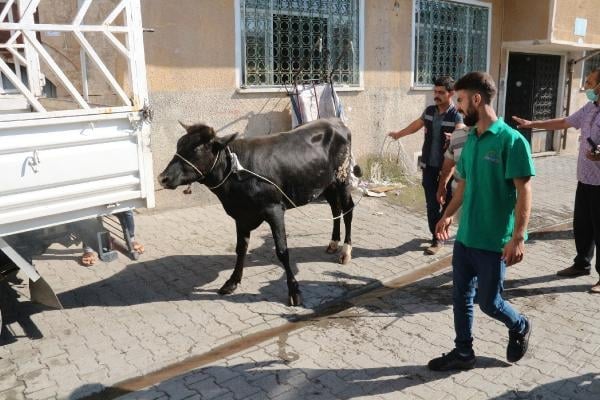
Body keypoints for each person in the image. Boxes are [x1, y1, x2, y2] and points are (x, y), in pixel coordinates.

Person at [428, 72, 535, 371]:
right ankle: (463, 352)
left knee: (490, 304)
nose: (458, 107)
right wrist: (447, 215)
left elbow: (524, 190)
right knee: (460, 297)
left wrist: (518, 237)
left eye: (460, 100)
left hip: (493, 242)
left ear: (477, 99)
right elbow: (463, 183)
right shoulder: (470, 139)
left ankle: (520, 325)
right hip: (466, 238)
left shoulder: (511, 141)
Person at [512, 68, 600, 293]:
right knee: (583, 226)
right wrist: (532, 124)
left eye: (590, 82)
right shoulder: (590, 108)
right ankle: (581, 264)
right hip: (585, 180)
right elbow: (564, 122)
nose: (587, 87)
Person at [388, 76, 465, 254]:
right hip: (429, 165)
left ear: (451, 94)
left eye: (441, 92)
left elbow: (461, 128)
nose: (436, 95)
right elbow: (417, 125)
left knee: (446, 204)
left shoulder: (456, 114)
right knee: (432, 204)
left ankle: (442, 228)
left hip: (448, 167)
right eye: (435, 91)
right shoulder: (430, 111)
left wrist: (454, 136)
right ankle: (436, 238)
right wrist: (399, 134)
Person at [436, 124, 470, 205]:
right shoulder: (457, 135)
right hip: (457, 203)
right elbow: (447, 167)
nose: (458, 110)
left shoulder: (501, 137)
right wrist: (442, 186)